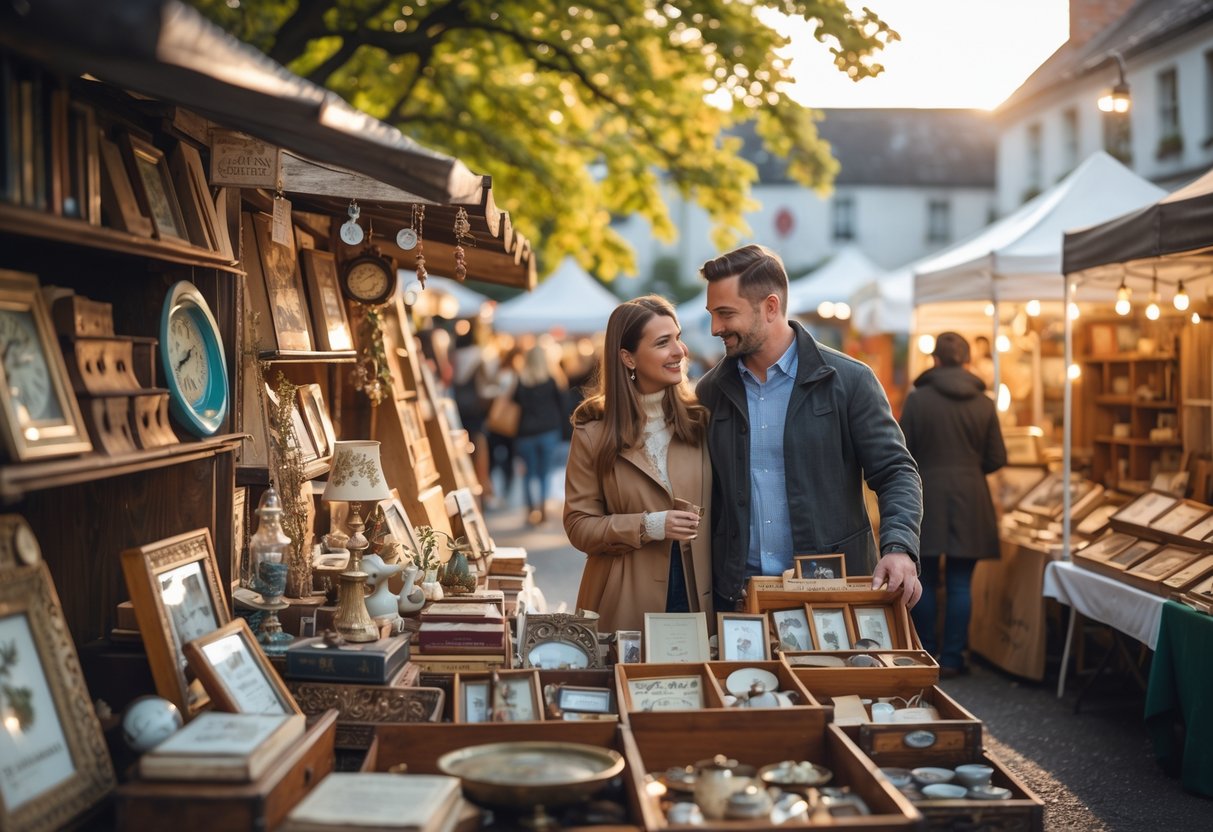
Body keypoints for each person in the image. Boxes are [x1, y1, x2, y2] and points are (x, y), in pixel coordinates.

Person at [695, 244, 923, 611]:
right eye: (712, 314)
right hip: (738, 601)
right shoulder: (709, 391)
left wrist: (899, 548)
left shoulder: (850, 381)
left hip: (831, 597)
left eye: (725, 313)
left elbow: (896, 472)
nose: (715, 328)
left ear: (770, 307)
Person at [563, 296, 713, 632]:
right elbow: (578, 525)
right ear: (628, 358)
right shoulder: (592, 432)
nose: (680, 351)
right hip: (624, 601)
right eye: (663, 343)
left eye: (678, 337)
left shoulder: (702, 422)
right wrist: (649, 525)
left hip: (698, 598)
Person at [899, 331, 1007, 677]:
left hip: (926, 494)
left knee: (925, 579)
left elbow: (902, 454)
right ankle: (954, 657)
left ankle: (928, 653)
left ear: (935, 360)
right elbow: (996, 457)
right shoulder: (985, 402)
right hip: (972, 496)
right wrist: (969, 470)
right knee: (961, 583)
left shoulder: (918, 400)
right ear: (966, 361)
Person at [513, 344, 567, 525]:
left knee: (528, 473)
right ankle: (542, 508)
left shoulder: (521, 380)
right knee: (545, 473)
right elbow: (563, 405)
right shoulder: (552, 379)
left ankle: (530, 510)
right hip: (548, 431)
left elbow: (514, 403)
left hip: (526, 432)